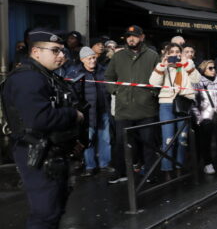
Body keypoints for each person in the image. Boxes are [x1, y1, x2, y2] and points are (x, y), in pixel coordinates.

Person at [2, 30, 85, 229]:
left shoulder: (45, 75)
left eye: (63, 51)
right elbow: (40, 118)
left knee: (55, 210)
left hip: (55, 152)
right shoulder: (27, 78)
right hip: (37, 154)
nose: (61, 55)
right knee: (44, 214)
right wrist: (73, 115)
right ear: (35, 52)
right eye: (55, 50)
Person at [104, 26, 160, 183]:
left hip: (146, 109)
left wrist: (152, 93)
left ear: (142, 37)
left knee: (149, 143)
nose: (131, 39)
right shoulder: (118, 56)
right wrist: (115, 91)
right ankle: (120, 173)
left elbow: (160, 77)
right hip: (124, 108)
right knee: (121, 143)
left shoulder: (152, 56)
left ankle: (150, 173)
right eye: (128, 36)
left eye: (134, 36)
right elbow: (108, 76)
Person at [149, 43, 200, 180]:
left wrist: (187, 64)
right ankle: (167, 169)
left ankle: (179, 167)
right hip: (166, 104)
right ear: (167, 54)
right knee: (168, 139)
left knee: (182, 139)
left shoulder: (187, 64)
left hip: (183, 104)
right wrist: (162, 65)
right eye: (172, 52)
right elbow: (153, 83)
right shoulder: (164, 66)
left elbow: (197, 80)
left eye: (178, 51)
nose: (175, 54)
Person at [68, 47, 112, 177]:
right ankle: (90, 166)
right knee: (88, 140)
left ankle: (105, 164)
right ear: (82, 60)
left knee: (105, 139)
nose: (93, 60)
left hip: (103, 111)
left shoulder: (103, 71)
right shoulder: (76, 73)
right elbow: (73, 93)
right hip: (87, 113)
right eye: (89, 58)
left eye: (94, 57)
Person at [192, 59, 217, 175]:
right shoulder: (199, 83)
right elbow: (193, 103)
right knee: (206, 142)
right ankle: (208, 164)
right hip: (206, 117)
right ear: (203, 70)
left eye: (214, 68)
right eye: (210, 68)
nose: (213, 70)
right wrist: (199, 119)